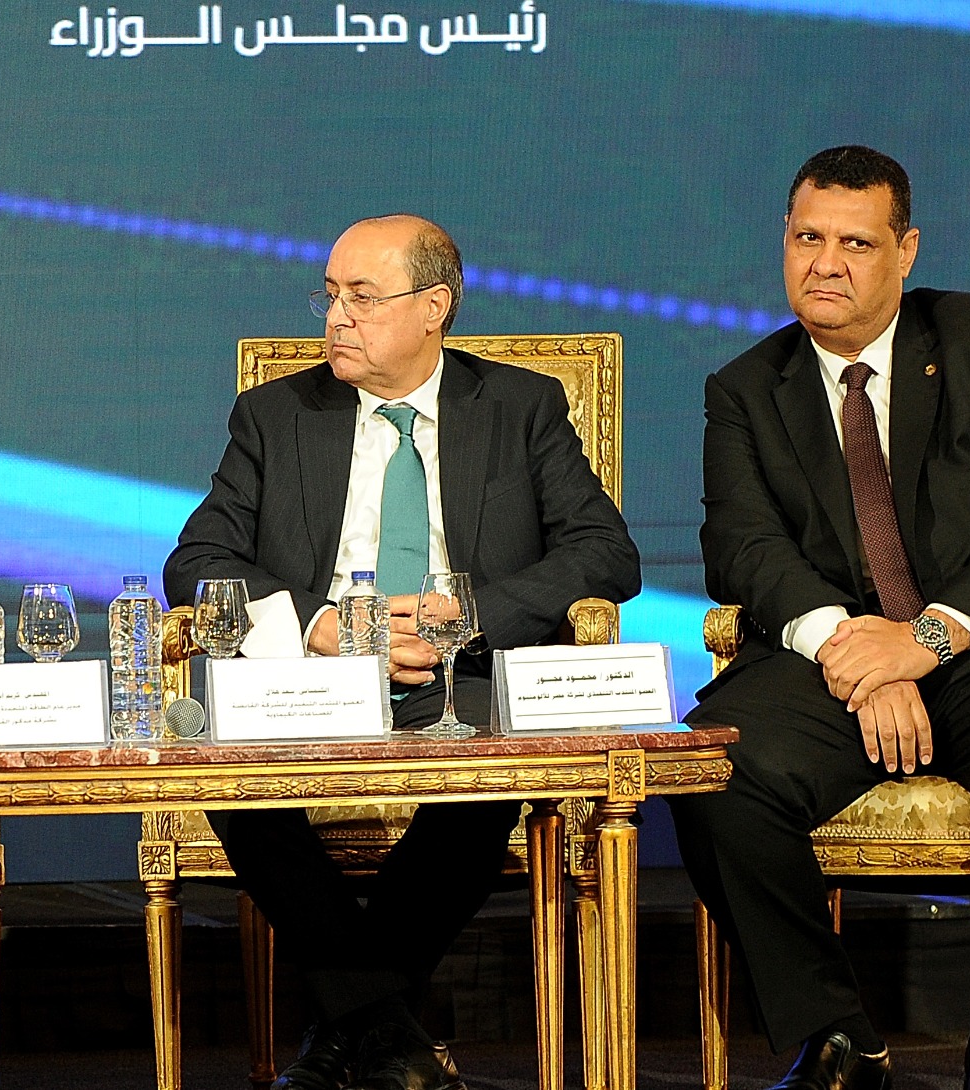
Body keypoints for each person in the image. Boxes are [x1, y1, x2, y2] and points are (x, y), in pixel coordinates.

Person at [165, 213, 641, 1090]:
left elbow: (606, 553)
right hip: (314, 682)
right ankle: (389, 1036)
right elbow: (195, 563)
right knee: (230, 777)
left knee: (487, 772)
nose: (336, 318)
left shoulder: (519, 407)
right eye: (329, 296)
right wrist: (318, 624)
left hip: (460, 675)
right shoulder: (277, 414)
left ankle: (340, 1035)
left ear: (435, 308)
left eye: (363, 297)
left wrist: (469, 615)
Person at [671, 145, 970, 1090]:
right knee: (714, 773)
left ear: (906, 251)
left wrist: (925, 639)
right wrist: (855, 652)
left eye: (856, 243)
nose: (825, 263)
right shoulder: (744, 388)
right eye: (807, 238)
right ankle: (836, 1038)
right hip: (836, 655)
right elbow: (742, 548)